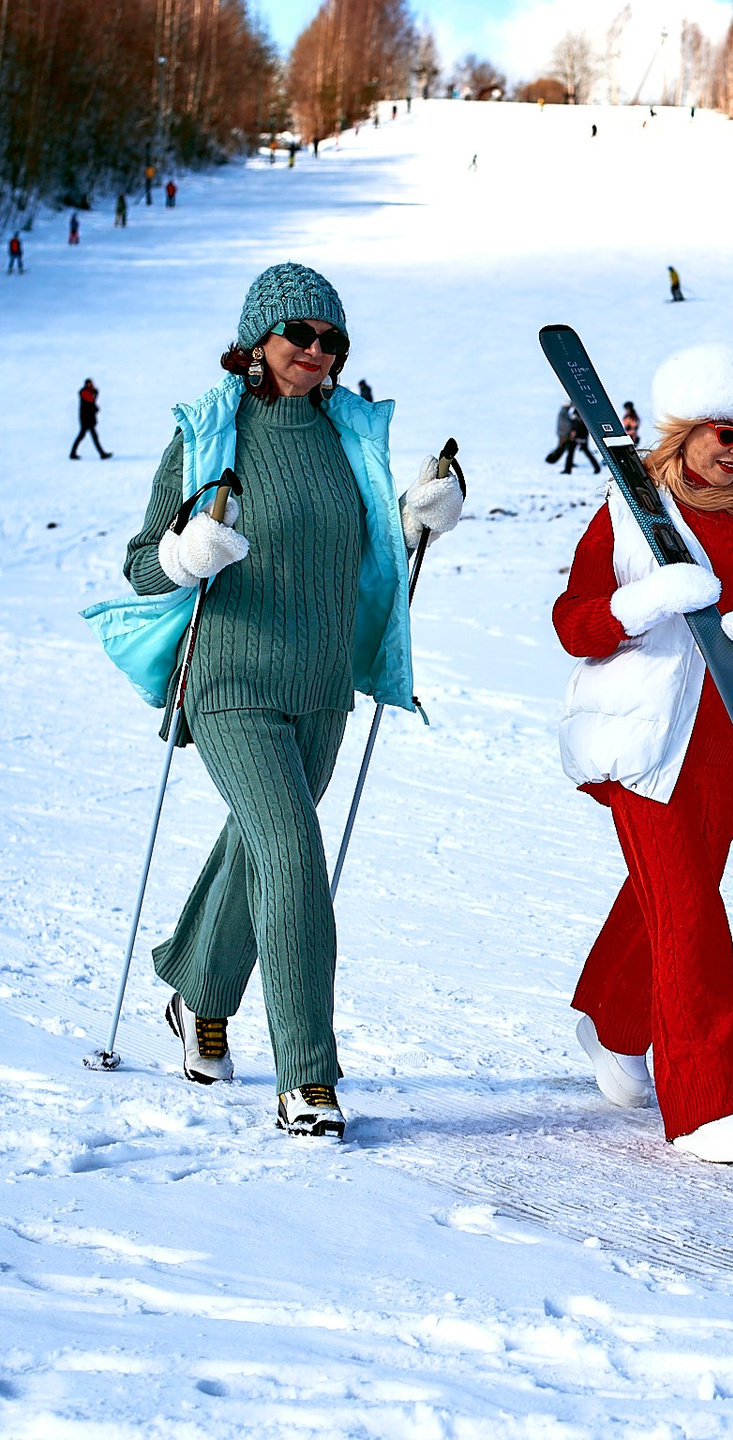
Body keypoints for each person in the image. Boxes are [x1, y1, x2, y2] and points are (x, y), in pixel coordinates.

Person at [114, 262, 463, 1139]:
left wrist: (416, 520)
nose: (317, 350)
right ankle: (307, 1076)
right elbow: (142, 564)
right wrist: (185, 554)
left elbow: (364, 545)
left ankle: (198, 991)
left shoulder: (347, 434)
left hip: (321, 686)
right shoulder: (210, 434)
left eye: (331, 339)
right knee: (293, 854)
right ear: (257, 340)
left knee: (259, 845)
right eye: (299, 334)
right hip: (229, 679)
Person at [552, 342, 733, 1166]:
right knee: (693, 916)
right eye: (723, 433)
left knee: (672, 900)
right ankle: (705, 1105)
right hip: (644, 744)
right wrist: (644, 603)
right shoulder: (632, 514)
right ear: (685, 430)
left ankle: (611, 1018)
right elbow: (574, 622)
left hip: (730, 745)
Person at [71, 378, 111, 459]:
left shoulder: (88, 393)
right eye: (89, 384)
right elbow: (90, 403)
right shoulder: (84, 393)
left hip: (88, 419)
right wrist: (95, 406)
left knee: (83, 436)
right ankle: (102, 454)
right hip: (86, 419)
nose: (90, 385)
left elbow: (92, 402)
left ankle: (73, 453)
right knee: (91, 436)